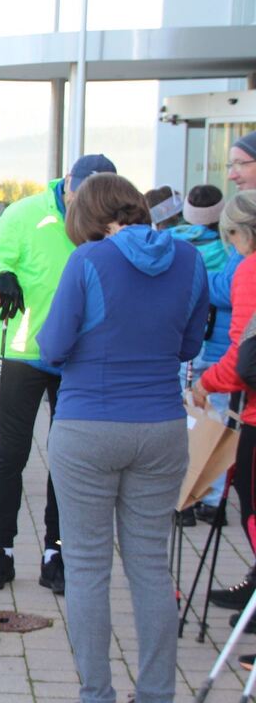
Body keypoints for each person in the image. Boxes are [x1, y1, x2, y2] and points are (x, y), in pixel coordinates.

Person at [40, 173, 208, 703]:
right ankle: (157, 693)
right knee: (150, 565)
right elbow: (189, 345)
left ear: (87, 216)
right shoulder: (190, 259)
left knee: (88, 567)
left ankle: (97, 693)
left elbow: (53, 347)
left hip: (88, 426)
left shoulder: (88, 261)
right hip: (161, 426)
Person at [0, 153, 117, 595]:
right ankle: (2, 550)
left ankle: (56, 551)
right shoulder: (28, 212)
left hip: (81, 356)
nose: (82, 204)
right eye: (77, 193)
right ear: (67, 181)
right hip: (23, 351)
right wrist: (0, 274)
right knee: (9, 455)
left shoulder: (109, 220)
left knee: (68, 458)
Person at [195, 192, 256, 611]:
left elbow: (245, 354)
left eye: (229, 237)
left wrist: (206, 382)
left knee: (251, 507)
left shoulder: (250, 269)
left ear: (239, 232)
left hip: (254, 412)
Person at [170, 184, 231, 524]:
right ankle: (214, 499)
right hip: (223, 349)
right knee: (218, 421)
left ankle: (185, 498)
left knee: (186, 418)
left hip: (187, 344)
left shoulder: (174, 243)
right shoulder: (230, 247)